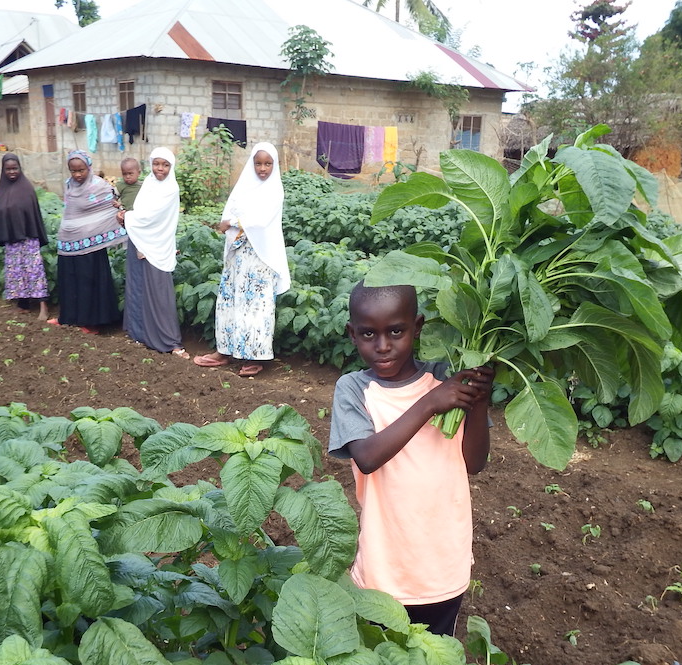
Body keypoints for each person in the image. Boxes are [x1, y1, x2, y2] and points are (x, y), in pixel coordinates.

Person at [327, 281, 493, 637]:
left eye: (397, 331)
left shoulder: (447, 379)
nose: (383, 346)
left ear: (417, 327)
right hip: (384, 566)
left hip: (444, 563)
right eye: (369, 333)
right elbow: (367, 456)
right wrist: (431, 403)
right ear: (352, 334)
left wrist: (479, 400)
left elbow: (474, 463)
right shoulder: (355, 389)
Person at [193, 142, 290, 378]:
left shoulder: (274, 191)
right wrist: (232, 222)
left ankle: (254, 355)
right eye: (258, 163)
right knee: (230, 301)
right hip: (238, 254)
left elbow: (260, 220)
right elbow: (228, 213)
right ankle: (225, 350)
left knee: (255, 306)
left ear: (274, 165)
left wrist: (234, 222)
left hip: (259, 257)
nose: (263, 168)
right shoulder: (244, 187)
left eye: (268, 164)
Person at [117, 147, 190, 359]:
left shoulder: (170, 189)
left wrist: (126, 218)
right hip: (139, 240)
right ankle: (140, 334)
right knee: (138, 285)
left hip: (157, 245)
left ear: (171, 167)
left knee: (159, 293)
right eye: (157, 164)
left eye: (165, 165)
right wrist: (129, 217)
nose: (160, 169)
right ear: (150, 164)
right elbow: (141, 213)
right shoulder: (149, 183)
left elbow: (151, 217)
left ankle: (170, 341)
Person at [51, 150, 126, 334]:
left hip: (91, 245)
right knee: (69, 281)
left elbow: (116, 206)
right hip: (69, 244)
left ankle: (91, 322)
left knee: (88, 282)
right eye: (73, 170)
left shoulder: (99, 186)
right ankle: (67, 318)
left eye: (81, 170)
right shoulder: (69, 185)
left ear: (89, 167)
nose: (77, 175)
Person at [0, 152, 50, 320]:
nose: (12, 172)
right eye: (8, 169)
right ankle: (23, 304)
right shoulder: (2, 189)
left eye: (15, 168)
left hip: (28, 237)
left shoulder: (26, 188)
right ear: (3, 170)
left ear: (20, 168)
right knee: (16, 270)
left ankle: (43, 306)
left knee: (34, 269)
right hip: (12, 237)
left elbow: (29, 211)